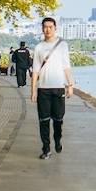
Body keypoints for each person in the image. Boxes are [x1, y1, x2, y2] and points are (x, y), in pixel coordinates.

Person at [30, 17, 73, 159]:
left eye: (50, 27)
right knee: (43, 120)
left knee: (58, 119)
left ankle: (57, 139)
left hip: (58, 88)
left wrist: (70, 85)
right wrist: (33, 91)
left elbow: (66, 66)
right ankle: (46, 149)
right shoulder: (39, 47)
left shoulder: (62, 45)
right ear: (42, 29)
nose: (47, 30)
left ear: (55, 28)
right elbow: (35, 70)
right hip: (43, 89)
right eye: (45, 27)